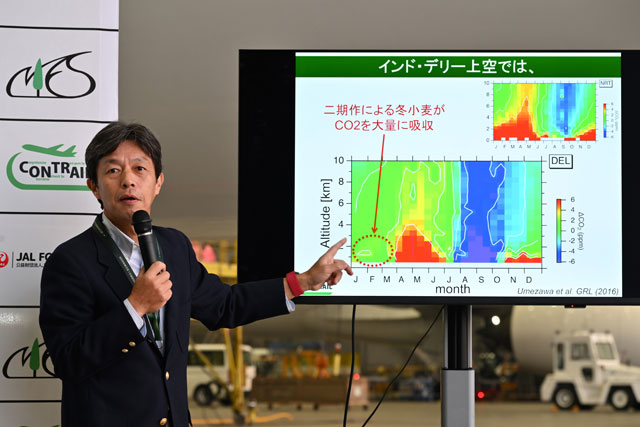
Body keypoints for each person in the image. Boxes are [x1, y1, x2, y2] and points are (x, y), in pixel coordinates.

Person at [39, 122, 353, 427]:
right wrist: (135, 306)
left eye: (140, 168)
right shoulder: (70, 261)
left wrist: (302, 282)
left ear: (158, 182)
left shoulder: (174, 246)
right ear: (93, 186)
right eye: (113, 171)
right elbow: (68, 360)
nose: (128, 181)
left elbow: (225, 305)